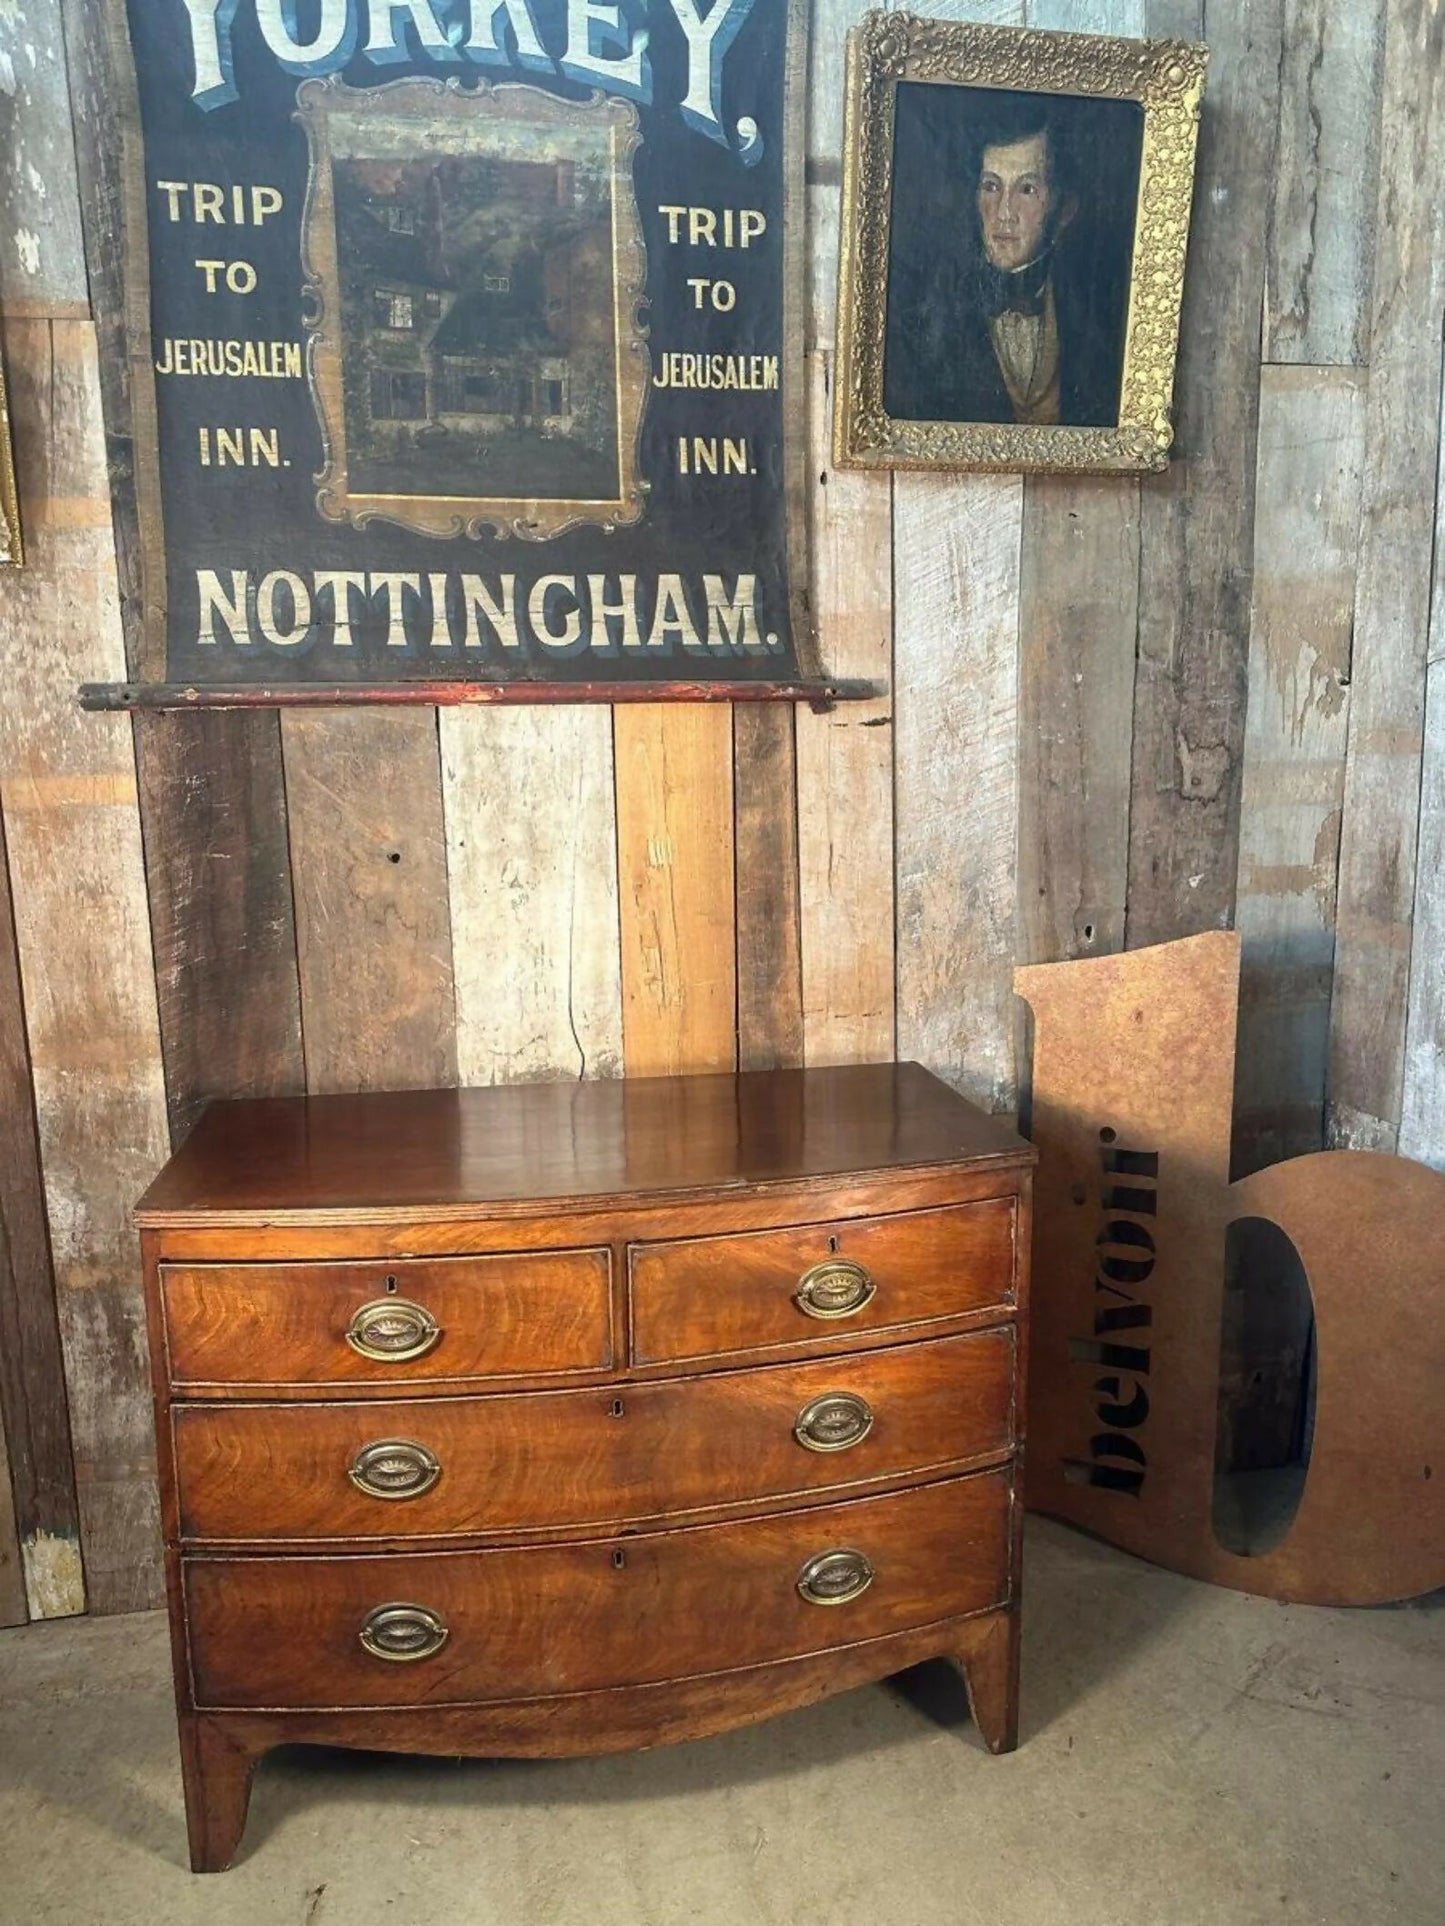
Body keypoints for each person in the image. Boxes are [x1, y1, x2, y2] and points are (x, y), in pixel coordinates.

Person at [884, 98, 1126, 429]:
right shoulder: (928, 309)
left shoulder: (1098, 311)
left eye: (1026, 189)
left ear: (1064, 209)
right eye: (991, 186)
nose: (1004, 213)